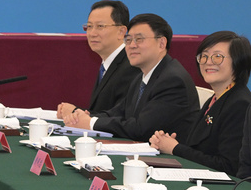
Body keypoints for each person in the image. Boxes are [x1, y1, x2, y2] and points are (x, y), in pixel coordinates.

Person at [62, 13, 199, 141]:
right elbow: (118, 113)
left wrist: (92, 123)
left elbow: (141, 129)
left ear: (161, 43)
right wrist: (83, 117)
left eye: (139, 39)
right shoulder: (142, 76)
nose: (132, 45)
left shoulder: (172, 80)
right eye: (128, 40)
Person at [149, 32, 251, 175]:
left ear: (238, 62)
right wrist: (165, 142)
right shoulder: (216, 98)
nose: (208, 62)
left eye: (217, 56)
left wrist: (176, 148)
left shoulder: (240, 104)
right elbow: (200, 147)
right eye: (204, 56)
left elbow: (228, 166)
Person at [56, 0, 137, 121]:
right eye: (89, 26)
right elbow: (103, 112)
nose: (92, 33)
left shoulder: (132, 66)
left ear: (121, 32)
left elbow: (120, 117)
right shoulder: (107, 64)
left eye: (100, 26)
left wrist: (74, 113)